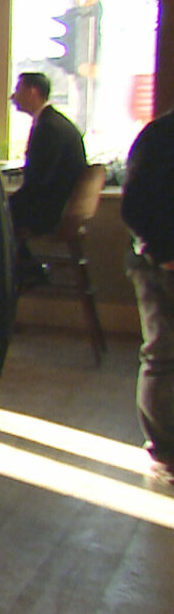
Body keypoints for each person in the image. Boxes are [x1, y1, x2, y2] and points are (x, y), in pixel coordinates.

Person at [123, 112, 174, 484]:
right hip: (161, 261)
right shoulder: (161, 137)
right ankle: (165, 450)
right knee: (164, 354)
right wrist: (164, 253)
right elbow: (135, 206)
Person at [8, 71, 87, 283]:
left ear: (33, 92)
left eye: (18, 90)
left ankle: (24, 274)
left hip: (51, 212)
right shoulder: (55, 123)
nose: (12, 96)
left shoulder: (48, 128)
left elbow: (38, 182)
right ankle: (27, 271)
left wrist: (4, 203)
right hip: (61, 207)